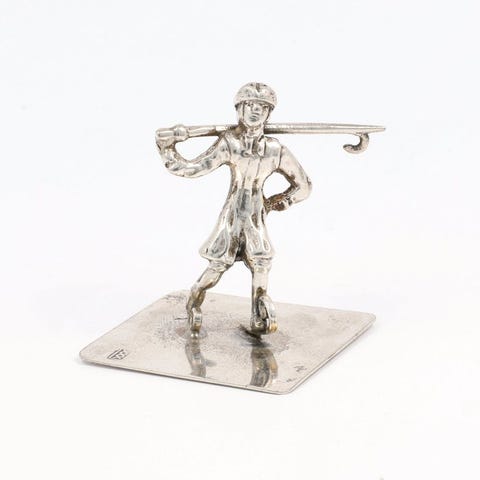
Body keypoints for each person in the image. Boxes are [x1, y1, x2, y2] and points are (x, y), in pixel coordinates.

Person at [156, 82, 312, 335]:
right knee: (217, 268)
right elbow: (192, 169)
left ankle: (258, 316)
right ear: (240, 109)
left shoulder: (275, 150)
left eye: (262, 107)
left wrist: (276, 203)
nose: (256, 110)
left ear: (268, 114)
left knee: (261, 264)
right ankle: (194, 300)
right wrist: (167, 148)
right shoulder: (230, 143)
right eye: (250, 105)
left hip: (255, 220)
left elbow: (303, 186)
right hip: (232, 219)